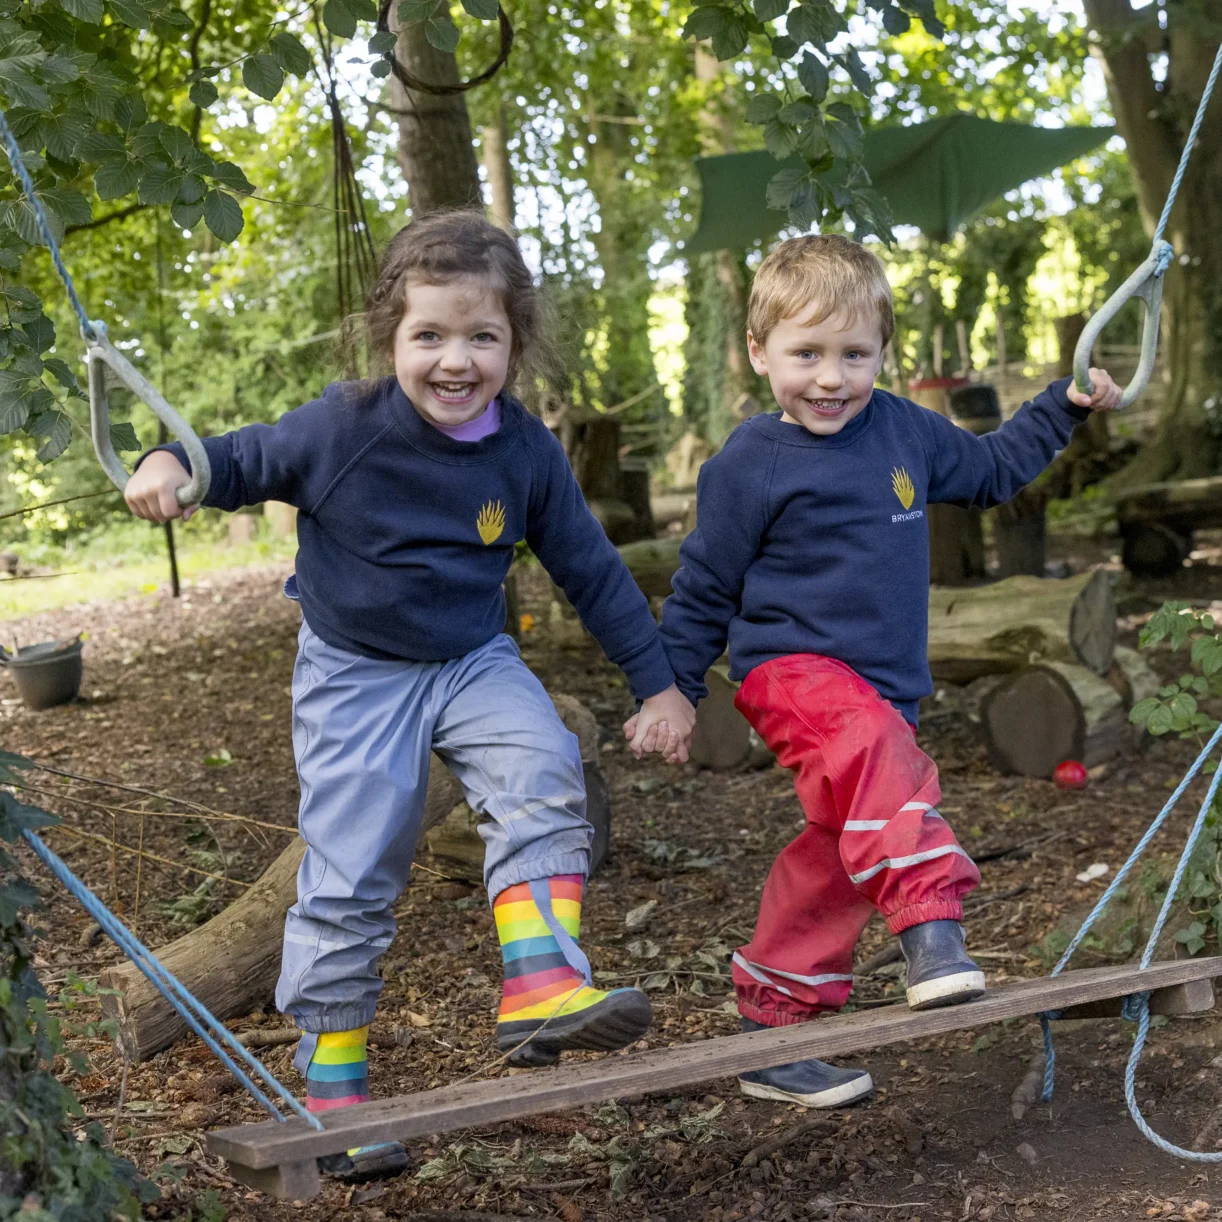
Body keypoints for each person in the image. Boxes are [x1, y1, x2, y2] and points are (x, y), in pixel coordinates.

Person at [124, 210, 695, 1178]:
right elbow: (240, 456)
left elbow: (592, 570)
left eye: (482, 336)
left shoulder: (522, 450)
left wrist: (661, 687)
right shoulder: (341, 426)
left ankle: (541, 984)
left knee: (542, 763)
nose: (454, 360)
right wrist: (168, 464)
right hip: (356, 675)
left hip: (471, 659)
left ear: (515, 341)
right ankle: (335, 1086)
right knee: (351, 879)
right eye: (428, 335)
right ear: (390, 337)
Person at [643, 233, 1121, 1111]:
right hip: (791, 672)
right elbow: (705, 584)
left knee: (841, 852)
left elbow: (991, 470)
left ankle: (772, 1030)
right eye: (806, 355)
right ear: (760, 353)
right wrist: (667, 689)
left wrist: (1065, 405)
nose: (830, 378)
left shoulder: (903, 427)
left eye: (853, 355)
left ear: (881, 353)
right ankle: (932, 929)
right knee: (876, 763)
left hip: (882, 691)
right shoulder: (750, 463)